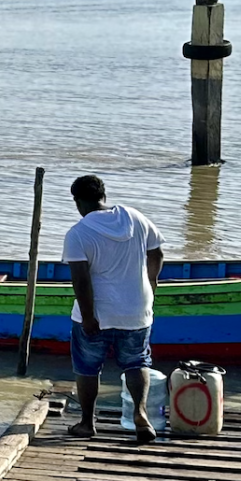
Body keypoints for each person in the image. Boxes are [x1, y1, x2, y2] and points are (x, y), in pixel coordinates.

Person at [62, 174, 164, 443]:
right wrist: (151, 283)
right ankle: (140, 416)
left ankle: (86, 423)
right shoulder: (134, 217)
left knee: (87, 367)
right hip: (137, 310)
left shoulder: (78, 233)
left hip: (99, 312)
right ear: (103, 195)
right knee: (137, 362)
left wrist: (87, 318)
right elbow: (157, 251)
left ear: (78, 201)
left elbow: (81, 280)